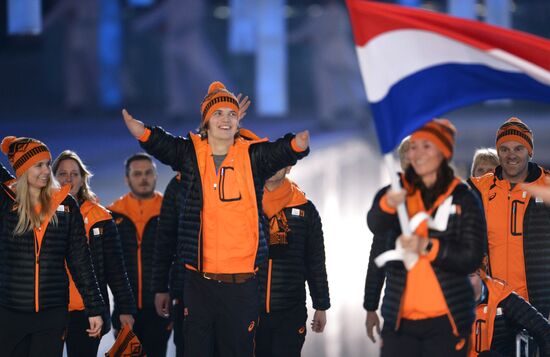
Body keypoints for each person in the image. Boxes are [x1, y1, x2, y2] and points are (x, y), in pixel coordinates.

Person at [121, 80, 310, 356]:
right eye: (219, 114)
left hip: (242, 284)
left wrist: (296, 145)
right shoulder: (190, 155)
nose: (226, 119)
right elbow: (164, 145)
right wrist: (144, 133)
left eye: (232, 114)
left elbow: (278, 152)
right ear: (205, 122)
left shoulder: (251, 155)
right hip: (199, 282)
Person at [367, 119, 485, 356]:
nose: (417, 153)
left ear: (443, 152)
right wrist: (387, 205)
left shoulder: (463, 198)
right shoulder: (396, 192)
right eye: (414, 146)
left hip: (447, 323)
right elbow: (375, 226)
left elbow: (472, 257)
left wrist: (429, 247)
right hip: (399, 325)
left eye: (426, 146)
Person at [0, 136, 104, 357]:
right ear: (23, 169)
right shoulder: (6, 201)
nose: (46, 171)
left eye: (47, 164)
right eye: (38, 165)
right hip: (10, 312)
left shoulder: (65, 205)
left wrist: (94, 308)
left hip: (52, 314)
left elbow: (81, 261)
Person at [52, 150, 136, 357]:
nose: (69, 179)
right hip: (50, 309)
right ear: (52, 177)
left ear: (83, 178)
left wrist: (125, 308)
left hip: (87, 311)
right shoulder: (40, 213)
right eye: (62, 173)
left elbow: (115, 268)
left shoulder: (100, 216)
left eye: (74, 173)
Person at [468, 117, 550, 317]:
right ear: (498, 153)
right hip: (493, 306)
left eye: (518, 148)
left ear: (529, 151)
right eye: (504, 149)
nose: (511, 155)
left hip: (539, 305)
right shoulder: (479, 188)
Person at [256, 166, 330, 356]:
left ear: (288, 168)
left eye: (279, 162)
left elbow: (315, 261)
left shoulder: (306, 209)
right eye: (268, 161)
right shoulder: (248, 204)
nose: (272, 167)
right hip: (249, 309)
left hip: (290, 311)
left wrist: (321, 305)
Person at [107, 153, 169, 357]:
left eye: (148, 173)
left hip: (160, 309)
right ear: (127, 178)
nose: (143, 178)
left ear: (156, 175)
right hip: (125, 309)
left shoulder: (169, 211)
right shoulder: (112, 214)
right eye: (137, 173)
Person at [364, 136, 411, 344]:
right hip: (396, 303)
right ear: (401, 163)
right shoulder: (388, 197)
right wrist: (370, 307)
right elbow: (378, 255)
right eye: (409, 161)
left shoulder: (443, 195)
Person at [468, 263, 550, 357]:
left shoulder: (503, 298)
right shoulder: (449, 303)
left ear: (481, 272)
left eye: (470, 275)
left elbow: (544, 331)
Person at [152, 173, 186, 357]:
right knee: (186, 347)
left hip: (231, 289)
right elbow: (165, 239)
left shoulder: (238, 173)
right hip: (186, 291)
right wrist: (161, 287)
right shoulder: (177, 184)